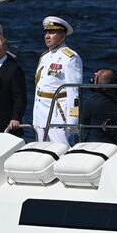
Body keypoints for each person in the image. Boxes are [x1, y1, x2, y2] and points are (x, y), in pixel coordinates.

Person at [33, 16, 82, 146]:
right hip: (40, 114)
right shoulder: (45, 56)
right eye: (46, 32)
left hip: (58, 115)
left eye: (52, 32)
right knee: (42, 151)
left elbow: (74, 91)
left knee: (61, 150)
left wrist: (72, 120)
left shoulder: (70, 57)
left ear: (62, 36)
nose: (47, 36)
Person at [77, 69, 117, 146]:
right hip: (116, 142)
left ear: (96, 83)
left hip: (95, 142)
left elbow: (83, 124)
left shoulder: (90, 102)